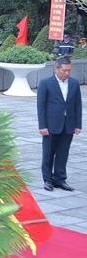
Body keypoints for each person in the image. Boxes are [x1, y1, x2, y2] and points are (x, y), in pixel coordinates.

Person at [37, 57, 82, 192]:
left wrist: (78, 124)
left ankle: (60, 179)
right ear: (56, 69)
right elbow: (41, 106)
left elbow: (77, 105)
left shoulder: (74, 83)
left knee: (63, 153)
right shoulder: (46, 83)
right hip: (51, 124)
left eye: (69, 70)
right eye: (64, 70)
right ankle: (48, 180)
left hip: (68, 124)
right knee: (48, 153)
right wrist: (42, 126)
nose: (67, 73)